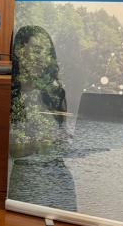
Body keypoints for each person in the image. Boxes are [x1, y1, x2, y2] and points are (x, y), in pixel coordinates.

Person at [8, 24, 76, 211]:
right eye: (37, 51)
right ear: (19, 52)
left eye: (47, 53)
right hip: (26, 179)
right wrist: (38, 144)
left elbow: (62, 141)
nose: (42, 59)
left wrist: (63, 142)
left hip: (60, 181)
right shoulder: (10, 94)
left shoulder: (55, 94)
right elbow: (10, 150)